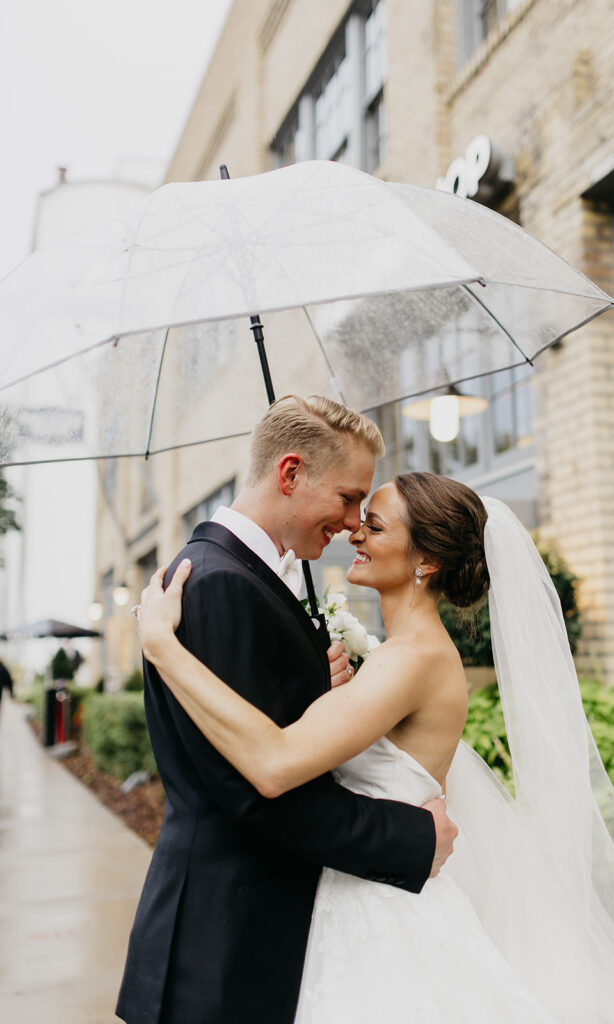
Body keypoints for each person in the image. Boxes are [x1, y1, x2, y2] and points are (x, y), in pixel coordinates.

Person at [136, 471, 614, 1024]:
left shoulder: (409, 660)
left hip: (380, 914)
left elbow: (276, 760)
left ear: (425, 561)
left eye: (373, 524)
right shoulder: (406, 656)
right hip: (370, 885)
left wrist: (164, 648)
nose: (355, 532)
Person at [116, 397, 458, 1024]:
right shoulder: (219, 583)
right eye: (350, 498)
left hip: (255, 929)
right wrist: (408, 838)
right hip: (224, 942)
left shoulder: (248, 576)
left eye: (368, 512)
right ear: (291, 473)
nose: (354, 522)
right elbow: (253, 787)